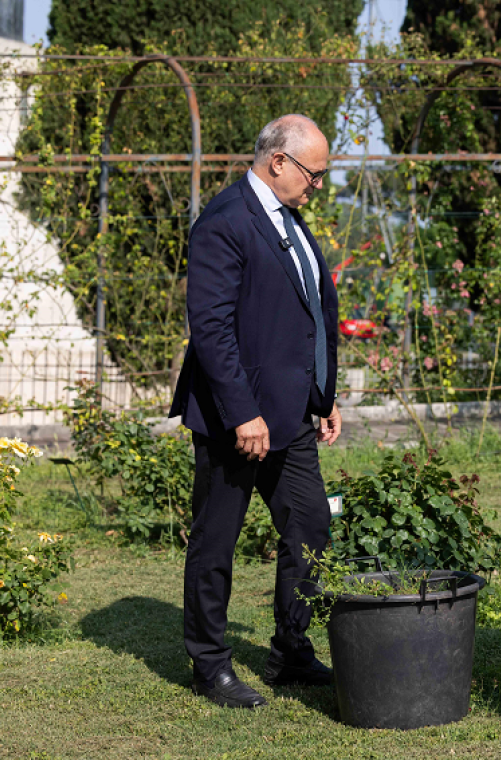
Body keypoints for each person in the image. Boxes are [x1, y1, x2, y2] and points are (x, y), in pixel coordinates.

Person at [168, 114, 343, 709]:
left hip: (292, 417)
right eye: (313, 174)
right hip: (234, 419)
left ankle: (290, 650)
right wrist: (243, 413)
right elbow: (212, 330)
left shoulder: (290, 224)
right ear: (278, 163)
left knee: (310, 526)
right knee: (216, 540)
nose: (317, 185)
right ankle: (210, 664)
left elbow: (309, 316)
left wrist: (324, 396)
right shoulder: (225, 221)